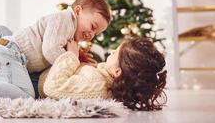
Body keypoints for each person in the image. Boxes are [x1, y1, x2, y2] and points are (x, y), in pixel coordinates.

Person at [39, 37, 167, 111]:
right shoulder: (102, 79)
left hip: (35, 81)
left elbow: (53, 87)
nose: (111, 51)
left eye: (115, 52)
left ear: (117, 71)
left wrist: (71, 56)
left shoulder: (98, 85)